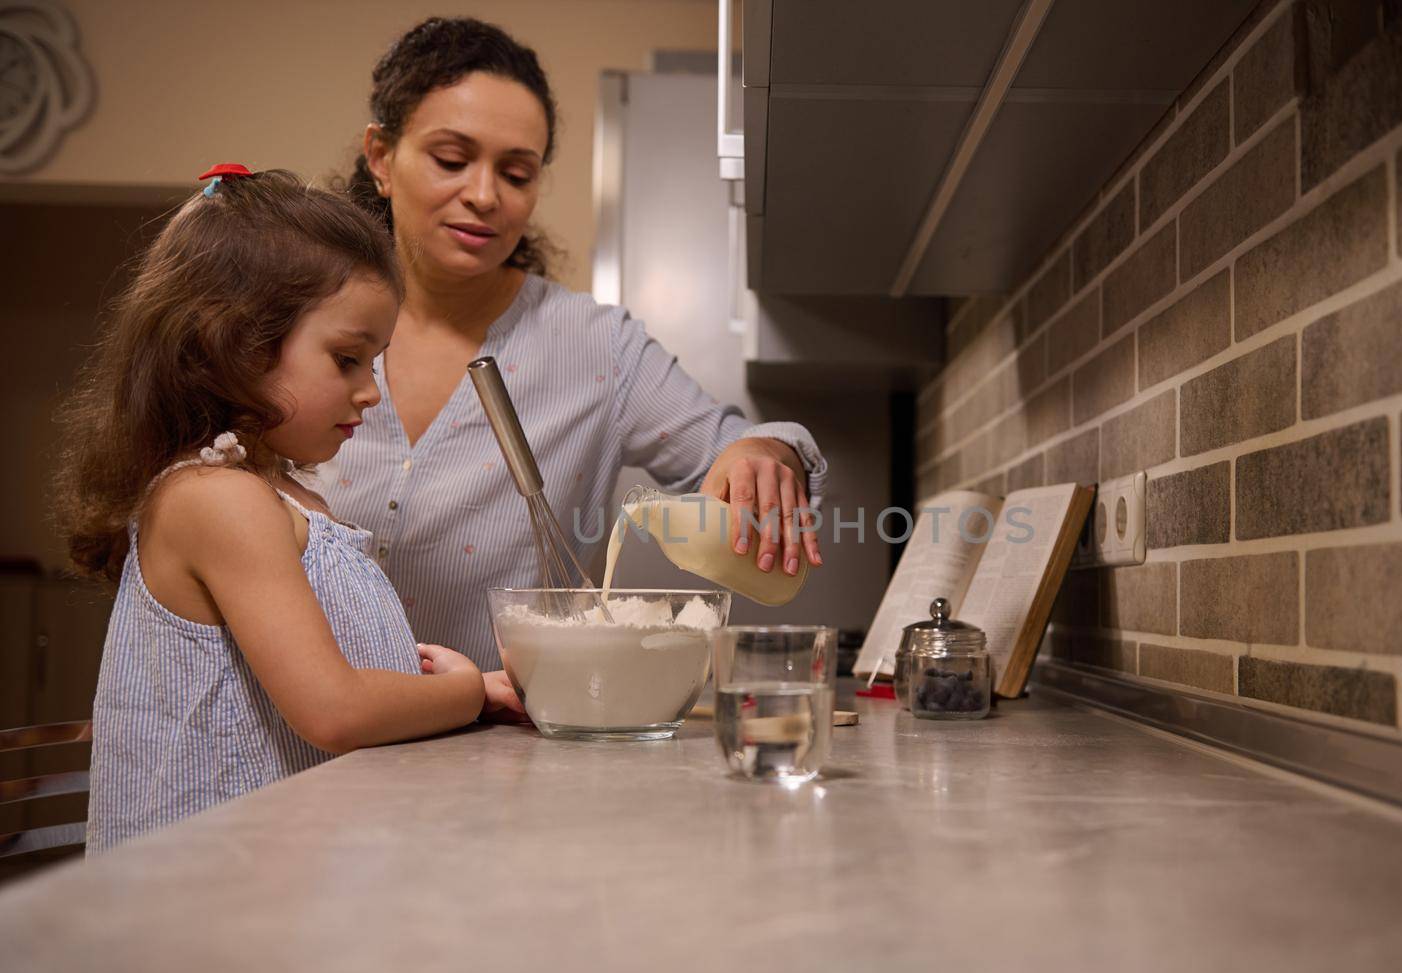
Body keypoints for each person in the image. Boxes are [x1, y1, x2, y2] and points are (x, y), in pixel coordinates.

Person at [330, 17, 828, 670]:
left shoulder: (597, 348)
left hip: (496, 750)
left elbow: (737, 452)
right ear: (380, 158)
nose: (484, 195)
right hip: (303, 747)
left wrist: (768, 454)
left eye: (516, 174)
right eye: (451, 160)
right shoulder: (304, 322)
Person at [56, 166, 525, 852]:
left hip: (290, 870)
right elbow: (333, 710)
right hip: (207, 899)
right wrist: (468, 694)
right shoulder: (215, 500)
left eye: (376, 362)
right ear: (235, 344)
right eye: (346, 359)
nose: (371, 391)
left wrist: (472, 683)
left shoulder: (283, 496)